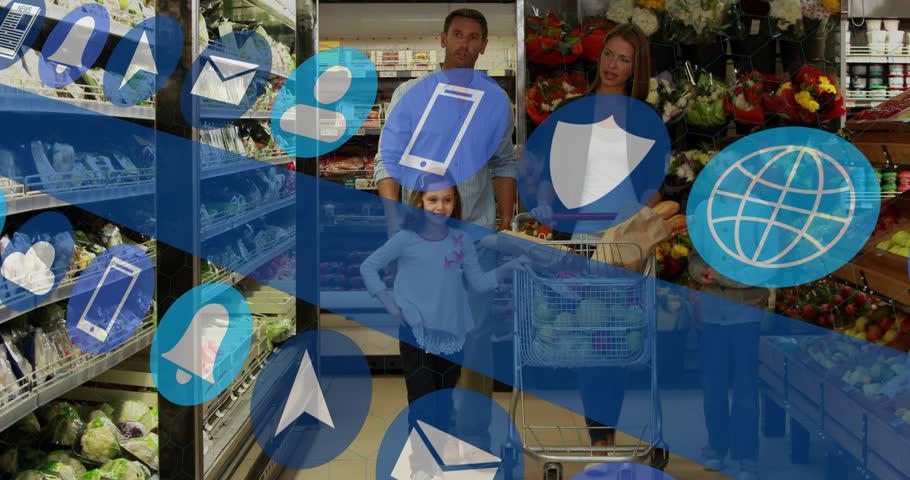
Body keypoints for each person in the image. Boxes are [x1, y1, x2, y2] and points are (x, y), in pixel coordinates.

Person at [372, 7, 517, 450]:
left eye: (474, 37)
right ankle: (425, 438)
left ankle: (470, 439)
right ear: (443, 38)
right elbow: (386, 161)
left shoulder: (496, 103)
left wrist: (505, 225)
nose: (464, 44)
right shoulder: (411, 95)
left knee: (471, 345)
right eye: (458, 35)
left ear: (483, 46)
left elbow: (504, 163)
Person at [359, 174, 527, 425]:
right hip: (415, 333)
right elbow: (368, 267)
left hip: (452, 332)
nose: (440, 207)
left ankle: (440, 456)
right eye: (433, 200)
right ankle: (423, 462)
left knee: (446, 402)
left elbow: (478, 283)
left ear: (456, 202)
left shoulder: (461, 241)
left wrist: (507, 268)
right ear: (420, 202)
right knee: (421, 402)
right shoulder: (405, 239)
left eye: (447, 200)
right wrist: (389, 303)